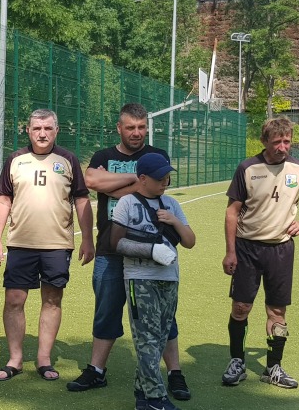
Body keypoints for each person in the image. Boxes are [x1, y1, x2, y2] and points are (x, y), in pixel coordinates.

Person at [67, 103, 191, 400]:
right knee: (106, 311)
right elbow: (91, 181)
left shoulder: (157, 156)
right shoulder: (103, 156)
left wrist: (110, 184)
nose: (137, 133)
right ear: (119, 128)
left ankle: (174, 372)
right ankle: (97, 370)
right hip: (110, 249)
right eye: (131, 127)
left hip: (152, 251)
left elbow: (146, 187)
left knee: (163, 316)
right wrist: (135, 179)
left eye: (141, 127)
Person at [220, 116, 299, 389]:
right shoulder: (248, 168)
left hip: (281, 249)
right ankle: (237, 362)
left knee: (277, 311)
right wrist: (230, 252)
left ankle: (273, 368)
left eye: (287, 141)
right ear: (264, 141)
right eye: (277, 142)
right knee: (241, 307)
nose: (282, 147)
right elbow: (232, 212)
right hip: (247, 248)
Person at [0, 108, 95, 382]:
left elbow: (81, 200)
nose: (42, 134)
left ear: (56, 130)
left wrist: (87, 238)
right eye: (37, 128)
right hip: (20, 244)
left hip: (57, 244)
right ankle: (15, 360)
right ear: (28, 130)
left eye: (48, 128)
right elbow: (3, 200)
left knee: (52, 299)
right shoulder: (15, 160)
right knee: (14, 300)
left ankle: (44, 359)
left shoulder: (68, 160)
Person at [111, 153, 195, 410]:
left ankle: (142, 393)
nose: (164, 183)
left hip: (169, 278)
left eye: (167, 177)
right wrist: (149, 251)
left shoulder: (171, 204)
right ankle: (157, 398)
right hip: (140, 279)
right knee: (146, 339)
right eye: (159, 178)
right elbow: (115, 243)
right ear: (143, 178)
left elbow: (190, 241)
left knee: (159, 339)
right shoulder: (127, 203)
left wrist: (174, 221)